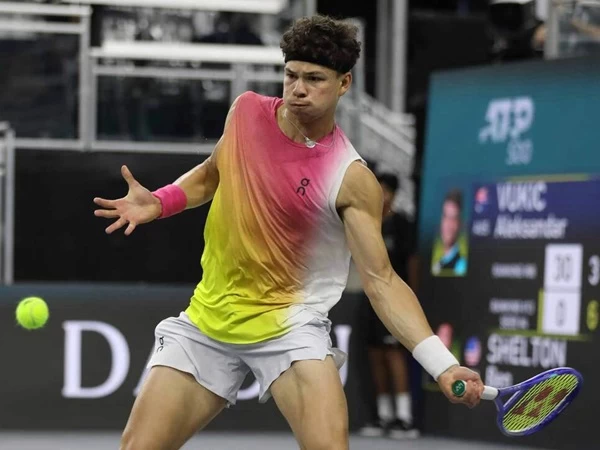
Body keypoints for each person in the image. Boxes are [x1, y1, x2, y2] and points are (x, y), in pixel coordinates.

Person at [93, 14, 484, 450]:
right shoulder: (245, 112)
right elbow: (212, 173)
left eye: (314, 79)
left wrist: (442, 364)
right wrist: (161, 201)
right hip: (209, 318)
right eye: (291, 75)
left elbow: (382, 281)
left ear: (344, 84)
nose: (298, 89)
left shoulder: (350, 178)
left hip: (290, 326)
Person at [359, 173, 420, 439]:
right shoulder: (367, 223)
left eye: (386, 191)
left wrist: (412, 299)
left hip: (396, 300)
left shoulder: (402, 224)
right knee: (376, 355)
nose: (382, 196)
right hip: (371, 299)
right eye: (378, 190)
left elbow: (413, 262)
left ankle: (404, 419)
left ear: (394, 195)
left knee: (394, 354)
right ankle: (383, 417)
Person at [431, 189, 468, 277]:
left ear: (460, 223)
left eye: (454, 218)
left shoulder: (461, 266)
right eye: (445, 216)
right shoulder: (437, 262)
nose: (448, 225)